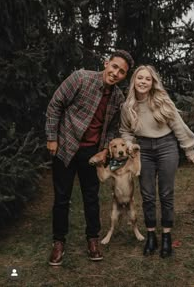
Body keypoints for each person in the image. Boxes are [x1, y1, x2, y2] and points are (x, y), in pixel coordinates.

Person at [45, 50, 134, 266]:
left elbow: (112, 127)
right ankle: (59, 243)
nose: (116, 73)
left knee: (91, 197)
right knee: (62, 197)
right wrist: (51, 138)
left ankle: (93, 240)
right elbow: (55, 105)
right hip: (65, 146)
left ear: (124, 76)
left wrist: (104, 150)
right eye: (114, 67)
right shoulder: (80, 78)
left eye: (121, 72)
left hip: (91, 153)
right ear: (106, 63)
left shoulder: (118, 98)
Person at [120, 65, 194, 258]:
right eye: (140, 78)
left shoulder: (162, 101)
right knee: (147, 194)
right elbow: (125, 131)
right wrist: (129, 144)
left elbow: (178, 125)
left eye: (148, 79)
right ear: (134, 81)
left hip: (166, 147)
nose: (143, 82)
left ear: (152, 82)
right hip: (143, 150)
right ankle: (151, 236)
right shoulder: (128, 106)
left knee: (166, 193)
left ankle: (166, 237)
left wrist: (188, 148)